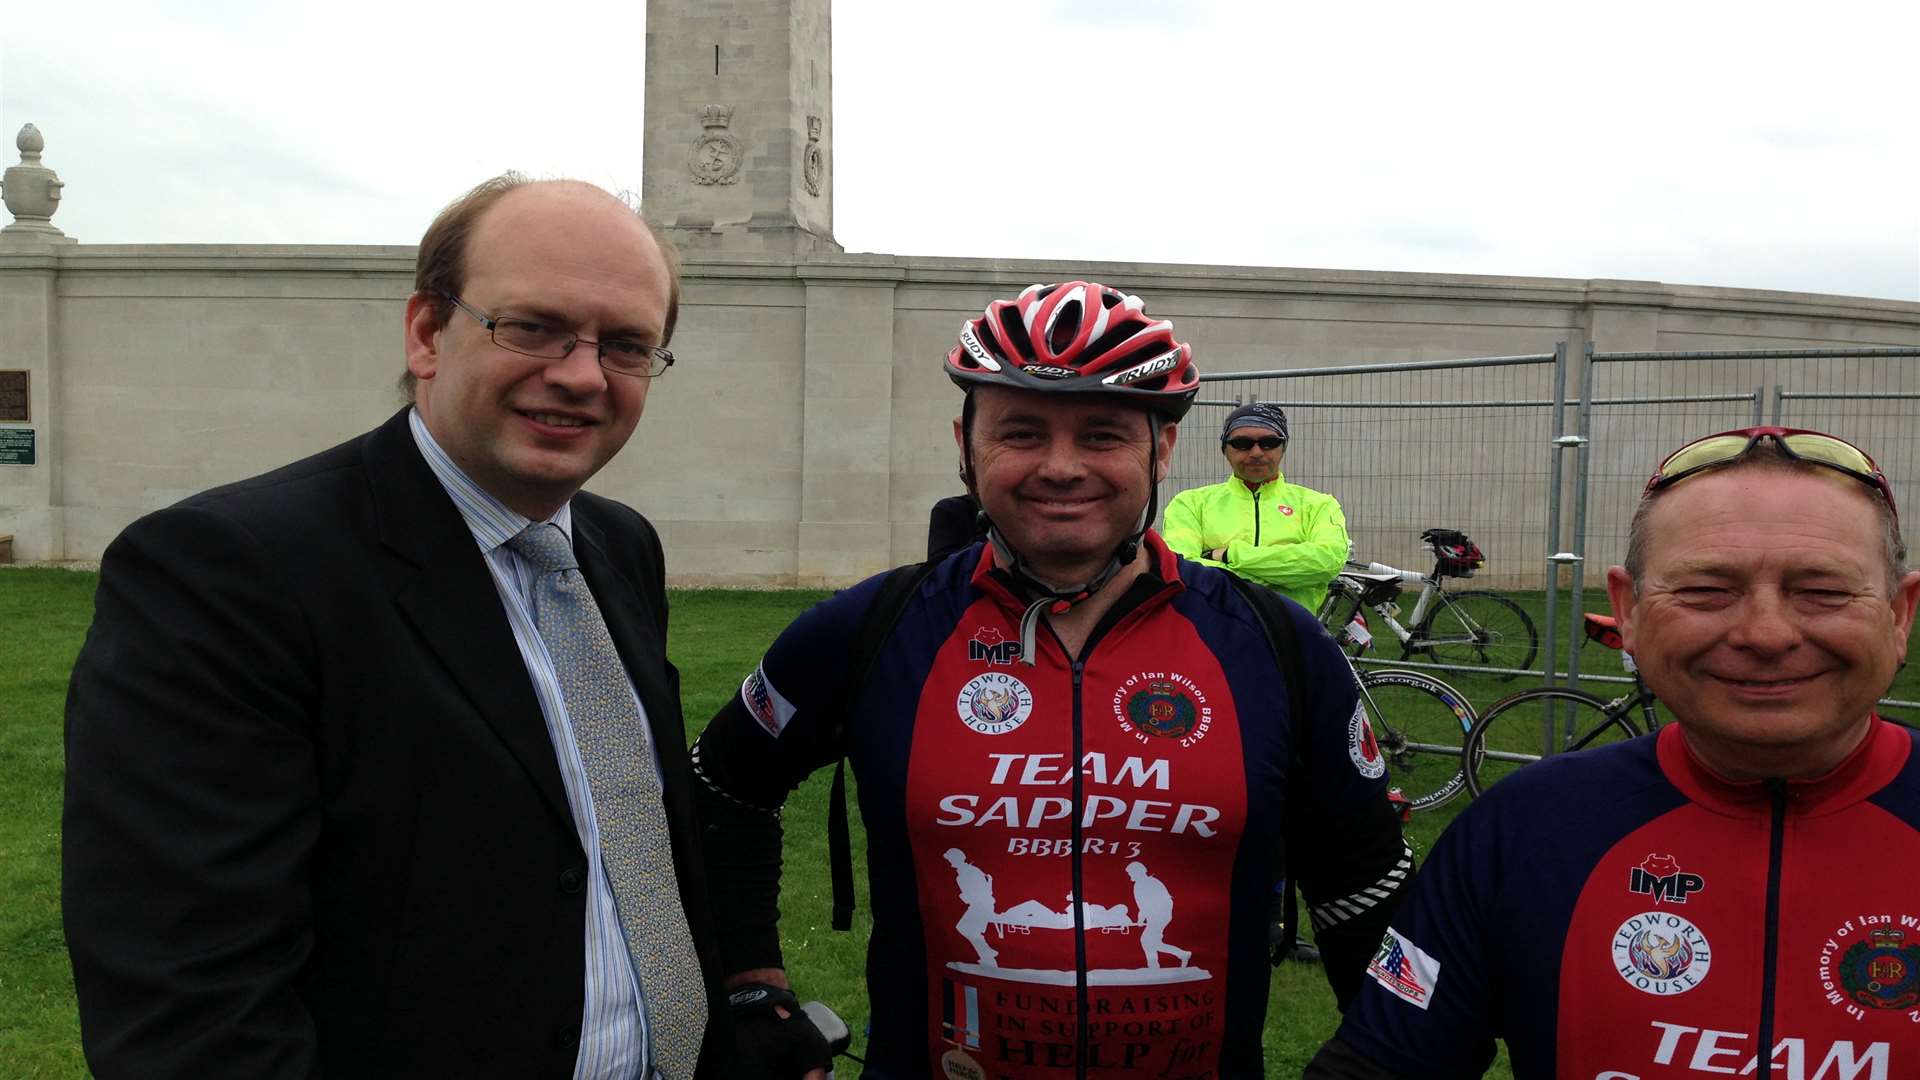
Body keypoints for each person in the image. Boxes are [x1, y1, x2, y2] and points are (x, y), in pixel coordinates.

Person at [63, 176, 729, 1079]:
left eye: (625, 345)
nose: (580, 375)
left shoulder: (619, 548)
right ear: (426, 333)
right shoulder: (227, 572)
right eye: (532, 327)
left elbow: (630, 846)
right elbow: (191, 1004)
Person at [692, 281, 1413, 1079]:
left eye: (1102, 435)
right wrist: (751, 984)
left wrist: (1377, 1056)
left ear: (1162, 450)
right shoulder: (871, 628)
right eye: (1022, 433)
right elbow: (720, 787)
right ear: (964, 445)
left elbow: (1365, 883)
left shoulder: (1278, 645)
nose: (1061, 468)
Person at [1306, 426, 1920, 1079]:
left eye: (1823, 591)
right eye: (1706, 589)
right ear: (1627, 610)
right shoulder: (1523, 830)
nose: (1765, 633)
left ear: (1900, 613)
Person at [1162, 401, 1351, 616]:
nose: (1256, 452)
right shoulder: (1190, 503)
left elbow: (1326, 562)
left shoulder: (1318, 504)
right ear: (1225, 448)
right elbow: (1184, 570)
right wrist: (1283, 575)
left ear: (1283, 447)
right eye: (1242, 443)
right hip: (1213, 634)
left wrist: (1229, 556)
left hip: (1290, 633)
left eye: (1269, 442)